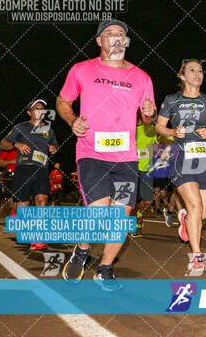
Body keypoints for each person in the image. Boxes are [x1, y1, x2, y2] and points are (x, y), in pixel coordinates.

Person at [57, 19, 156, 291]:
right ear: (99, 41)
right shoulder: (82, 70)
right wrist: (72, 120)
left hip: (126, 158)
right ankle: (82, 248)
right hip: (92, 153)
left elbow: (149, 119)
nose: (116, 37)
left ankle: (105, 268)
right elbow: (63, 101)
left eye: (121, 34)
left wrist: (150, 113)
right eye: (110, 33)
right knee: (99, 212)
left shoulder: (141, 77)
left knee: (122, 217)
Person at [155, 59, 206, 271]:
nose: (197, 74)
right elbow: (159, 127)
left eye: (200, 70)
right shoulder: (172, 100)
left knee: (202, 212)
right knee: (195, 207)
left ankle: (185, 220)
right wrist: (173, 132)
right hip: (181, 158)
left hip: (204, 159)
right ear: (182, 76)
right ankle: (196, 256)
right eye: (192, 70)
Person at [0, 99, 58, 250]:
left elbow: (55, 146)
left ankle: (38, 237)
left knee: (41, 200)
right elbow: (3, 143)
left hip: (42, 170)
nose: (40, 111)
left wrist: (54, 148)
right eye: (36, 109)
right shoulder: (20, 127)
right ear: (29, 112)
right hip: (24, 169)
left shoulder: (49, 130)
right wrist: (16, 144)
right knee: (23, 206)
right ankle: (16, 213)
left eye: (42, 109)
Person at [132, 111, 159, 237]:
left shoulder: (152, 129)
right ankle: (136, 226)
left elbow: (157, 147)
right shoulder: (131, 128)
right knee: (129, 201)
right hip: (131, 169)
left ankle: (139, 213)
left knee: (148, 201)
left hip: (147, 170)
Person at [0, 148, 17, 216]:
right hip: (10, 175)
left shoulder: (28, 146)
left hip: (25, 173)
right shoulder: (6, 148)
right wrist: (13, 161)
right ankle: (13, 214)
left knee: (23, 198)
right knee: (11, 201)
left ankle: (16, 216)